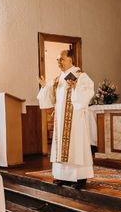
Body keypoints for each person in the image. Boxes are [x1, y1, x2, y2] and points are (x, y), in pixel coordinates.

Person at [37, 49, 95, 189]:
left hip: (75, 120)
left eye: (61, 59)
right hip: (60, 119)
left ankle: (79, 177)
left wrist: (76, 89)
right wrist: (45, 86)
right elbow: (49, 100)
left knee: (76, 146)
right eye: (57, 60)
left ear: (70, 60)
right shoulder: (57, 80)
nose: (59, 62)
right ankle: (62, 176)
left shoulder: (81, 76)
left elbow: (88, 93)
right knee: (60, 148)